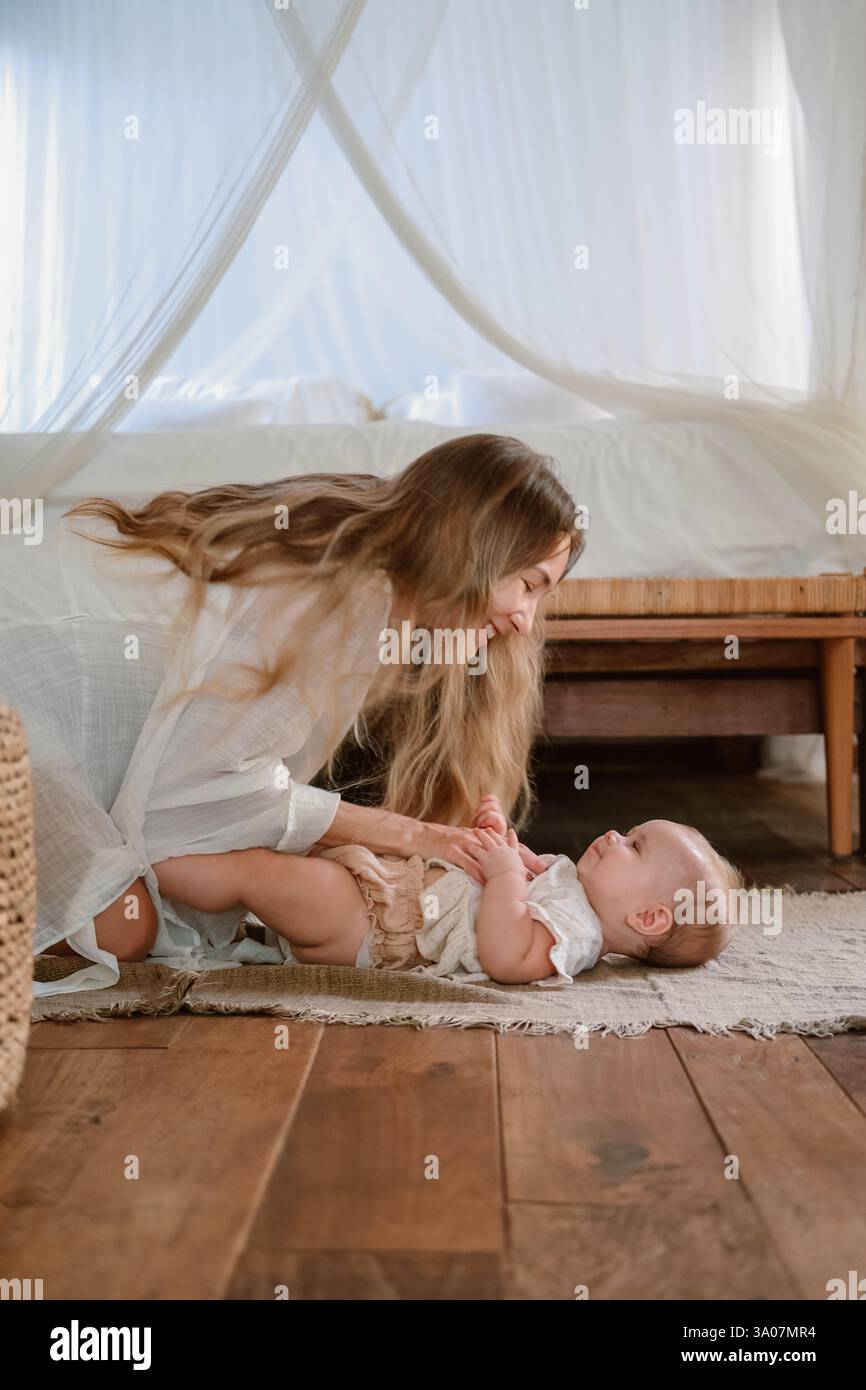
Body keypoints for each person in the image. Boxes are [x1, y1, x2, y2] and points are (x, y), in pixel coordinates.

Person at [0, 434, 581, 997]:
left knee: (127, 916)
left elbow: (220, 788)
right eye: (529, 585)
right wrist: (411, 834)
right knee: (120, 930)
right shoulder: (347, 593)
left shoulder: (365, 567)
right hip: (20, 698)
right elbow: (175, 815)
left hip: (43, 714)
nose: (526, 621)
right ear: (470, 540)